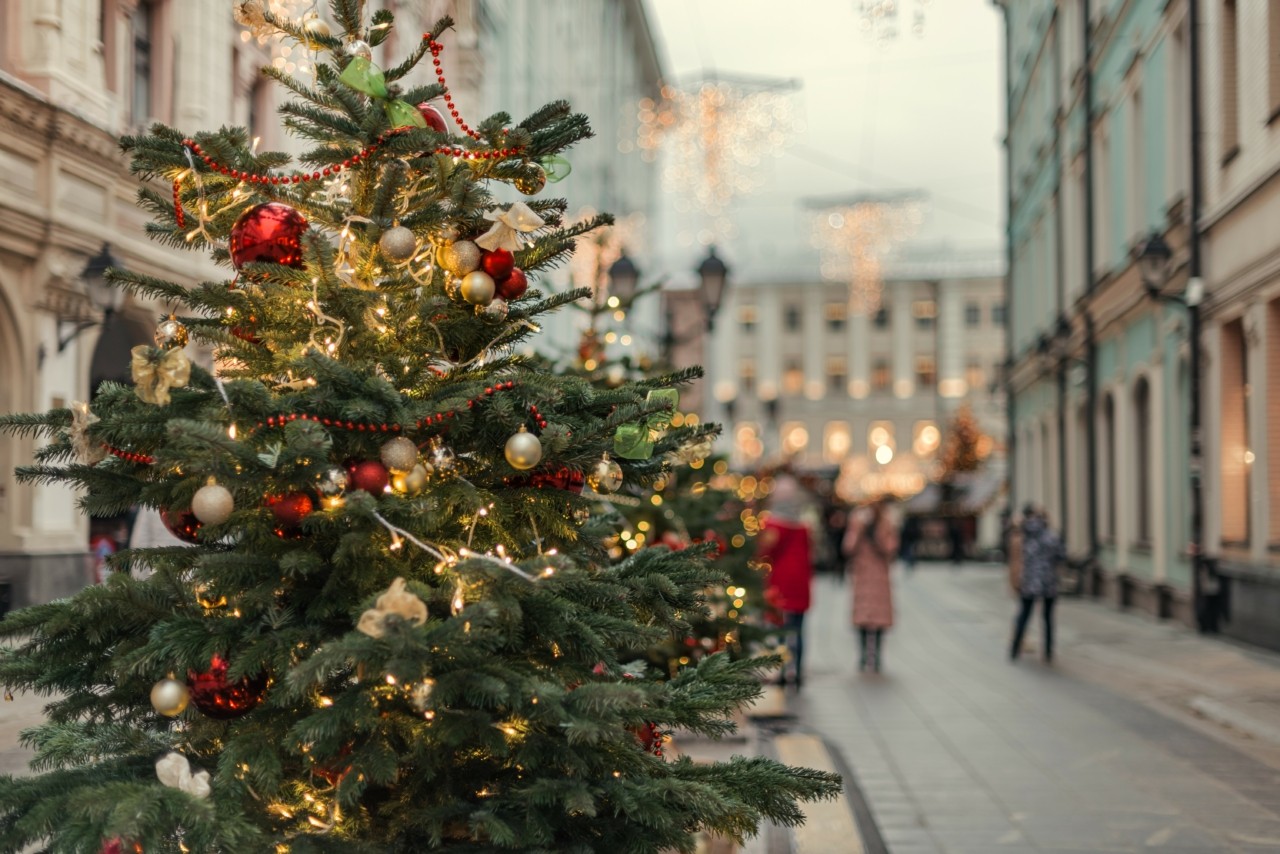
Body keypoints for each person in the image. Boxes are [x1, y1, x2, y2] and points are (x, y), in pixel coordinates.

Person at [757, 471, 815, 689]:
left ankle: (781, 671)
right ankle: (797, 671)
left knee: (781, 630)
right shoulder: (804, 527)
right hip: (801, 581)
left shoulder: (773, 526)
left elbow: (765, 551)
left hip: (780, 581)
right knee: (799, 629)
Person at [844, 496, 899, 673]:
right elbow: (848, 546)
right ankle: (863, 655)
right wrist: (859, 530)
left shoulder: (887, 522)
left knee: (879, 620)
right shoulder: (856, 521)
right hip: (862, 576)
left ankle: (876, 656)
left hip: (879, 578)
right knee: (862, 619)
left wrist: (878, 534)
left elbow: (891, 548)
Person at [1010, 504, 1064, 663]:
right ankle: (1048, 651)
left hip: (1029, 582)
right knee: (1047, 618)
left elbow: (1016, 557)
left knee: (1024, 615)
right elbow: (1061, 556)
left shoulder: (1024, 535)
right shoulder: (1051, 537)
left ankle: (1014, 648)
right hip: (1048, 582)